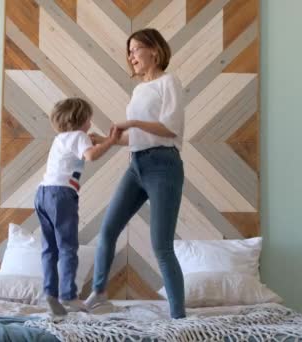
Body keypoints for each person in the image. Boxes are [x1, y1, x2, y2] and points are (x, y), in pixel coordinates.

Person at [85, 28, 187, 319]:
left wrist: (132, 122)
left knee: (161, 246)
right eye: (128, 52)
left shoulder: (169, 82)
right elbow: (136, 138)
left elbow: (171, 129)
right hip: (137, 165)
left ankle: (179, 316)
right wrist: (103, 140)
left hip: (164, 166)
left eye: (135, 50)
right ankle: (100, 293)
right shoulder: (139, 89)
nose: (131, 57)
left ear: (154, 50)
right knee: (107, 230)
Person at [35, 97, 121, 316]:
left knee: (49, 248)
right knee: (68, 247)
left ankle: (50, 293)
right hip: (62, 195)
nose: (90, 124)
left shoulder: (60, 138)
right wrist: (110, 142)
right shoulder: (80, 136)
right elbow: (91, 156)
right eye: (89, 120)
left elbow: (80, 152)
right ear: (82, 119)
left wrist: (95, 141)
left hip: (43, 193)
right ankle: (68, 295)